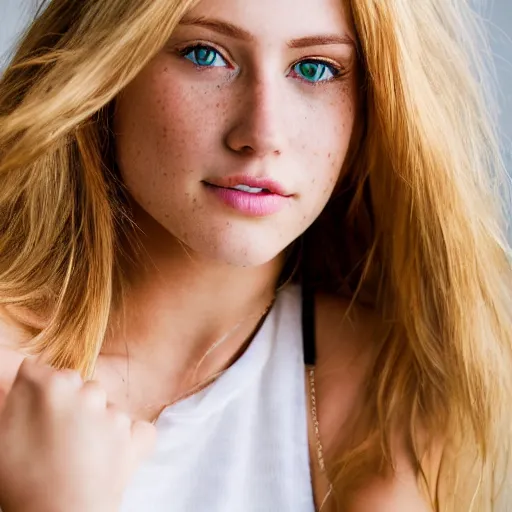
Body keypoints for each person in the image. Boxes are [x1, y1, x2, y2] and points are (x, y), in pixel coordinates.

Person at [0, 0, 510, 510]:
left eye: (315, 69)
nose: (262, 135)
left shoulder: (386, 390)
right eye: (205, 54)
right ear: (107, 69)